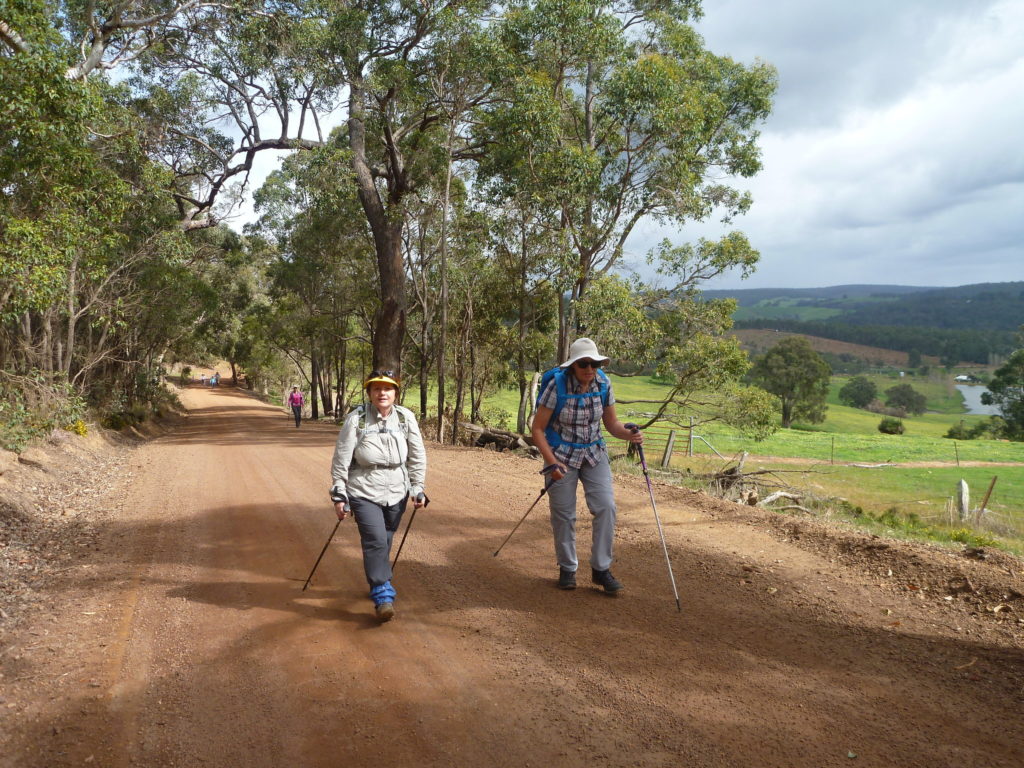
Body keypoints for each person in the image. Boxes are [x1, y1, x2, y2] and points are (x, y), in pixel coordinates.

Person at [531, 338, 643, 594]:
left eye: (595, 364)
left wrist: (629, 435)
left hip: (593, 453)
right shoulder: (556, 387)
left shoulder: (603, 383)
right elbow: (537, 429)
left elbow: (612, 425)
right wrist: (551, 462)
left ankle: (601, 569)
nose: (590, 369)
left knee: (606, 507)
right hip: (560, 455)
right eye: (584, 364)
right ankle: (567, 567)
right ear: (573, 365)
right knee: (564, 514)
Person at [329, 370, 427, 622]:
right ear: (370, 393)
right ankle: (382, 592)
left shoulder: (406, 418)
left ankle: (378, 578)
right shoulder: (357, 419)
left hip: (397, 489)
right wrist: (339, 492)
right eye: (376, 388)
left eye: (388, 388)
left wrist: (418, 487)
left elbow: (417, 455)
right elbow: (342, 458)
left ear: (395, 392)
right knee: (375, 539)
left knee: (386, 537)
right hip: (363, 487)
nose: (382, 393)